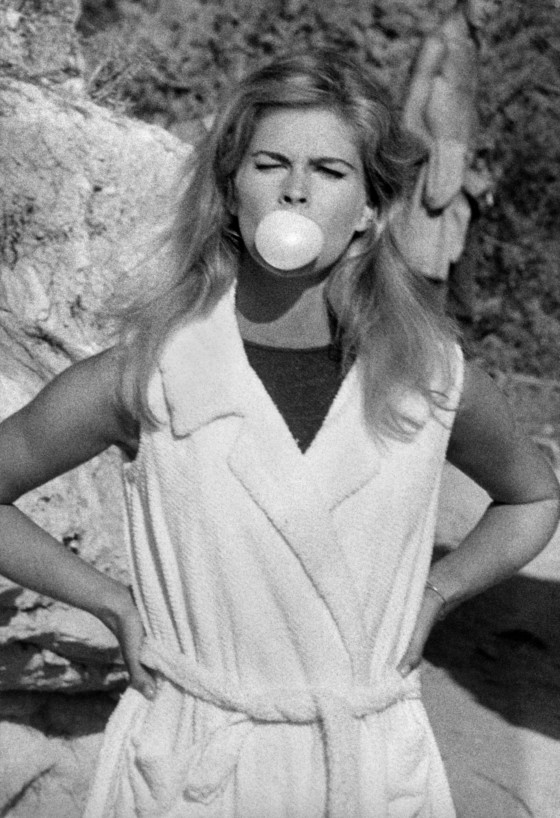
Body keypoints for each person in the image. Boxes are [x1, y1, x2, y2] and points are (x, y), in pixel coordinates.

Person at [0, 50, 557, 818]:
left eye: (330, 169)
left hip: (369, 770)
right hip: (193, 768)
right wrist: (109, 601)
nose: (296, 188)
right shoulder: (148, 374)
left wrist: (439, 590)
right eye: (270, 164)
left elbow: (532, 498)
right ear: (232, 194)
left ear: (370, 208)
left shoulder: (429, 376)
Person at [395, 0, 494, 309]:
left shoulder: (474, 45)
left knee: (460, 305)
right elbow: (409, 121)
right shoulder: (436, 44)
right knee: (420, 293)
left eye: (499, 3)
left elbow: (463, 113)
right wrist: (456, 175)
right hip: (435, 184)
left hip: (464, 187)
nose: (491, 9)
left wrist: (476, 167)